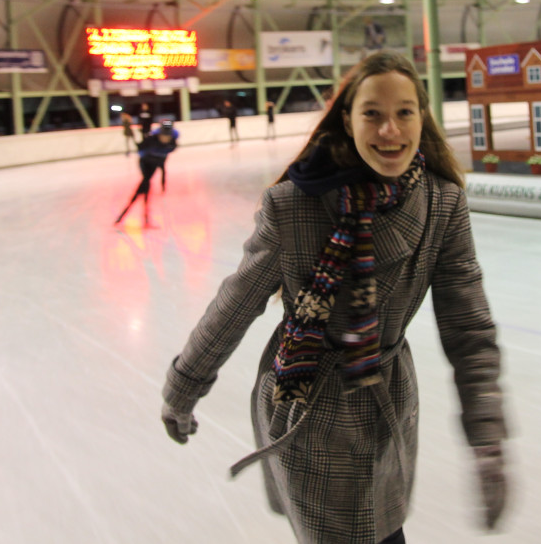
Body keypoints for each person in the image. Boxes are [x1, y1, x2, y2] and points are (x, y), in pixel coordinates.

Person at [162, 52, 508, 544]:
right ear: (347, 120)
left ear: (421, 117)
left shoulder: (441, 202)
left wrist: (488, 435)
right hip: (307, 402)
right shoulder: (293, 205)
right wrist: (183, 385)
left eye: (404, 112)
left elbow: (468, 327)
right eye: (373, 113)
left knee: (381, 528)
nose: (390, 130)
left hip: (386, 397)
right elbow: (237, 302)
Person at [115, 121, 179, 226]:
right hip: (146, 163)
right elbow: (140, 148)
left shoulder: (172, 143)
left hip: (155, 163)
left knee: (146, 185)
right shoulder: (151, 140)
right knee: (145, 185)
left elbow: (167, 151)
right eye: (163, 135)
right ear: (159, 134)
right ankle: (138, 216)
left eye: (168, 136)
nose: (165, 138)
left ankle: (134, 216)